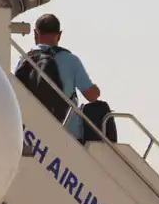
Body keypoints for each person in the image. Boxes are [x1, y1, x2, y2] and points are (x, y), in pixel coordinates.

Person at [17, 13, 104, 143]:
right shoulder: (71, 60)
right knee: (100, 109)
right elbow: (91, 96)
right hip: (68, 133)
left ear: (36, 33)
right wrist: (96, 89)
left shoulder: (24, 60)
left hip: (33, 132)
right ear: (60, 34)